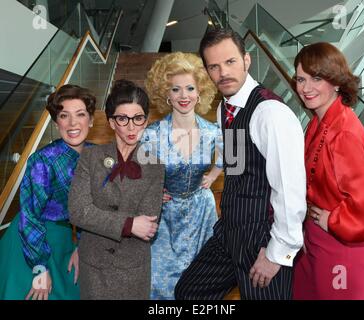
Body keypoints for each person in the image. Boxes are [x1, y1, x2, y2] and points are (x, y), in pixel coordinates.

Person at [175, 28, 307, 300]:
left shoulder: (270, 112)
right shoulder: (226, 108)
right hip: (231, 232)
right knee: (188, 292)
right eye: (214, 66)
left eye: (230, 62)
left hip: (263, 240)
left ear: (246, 60)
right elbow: (237, 168)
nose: (222, 72)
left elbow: (290, 189)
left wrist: (277, 252)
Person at [291, 42, 364, 300]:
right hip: (316, 241)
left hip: (342, 246)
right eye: (300, 79)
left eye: (316, 78)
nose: (305, 88)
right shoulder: (317, 122)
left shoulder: (343, 133)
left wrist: (331, 221)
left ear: (336, 82)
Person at [68, 80, 165, 300]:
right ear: (112, 122)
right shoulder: (90, 157)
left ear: (146, 121)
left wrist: (98, 215)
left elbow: (148, 225)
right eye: (123, 119)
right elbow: (77, 211)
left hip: (132, 268)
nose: (131, 127)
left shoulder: (155, 165)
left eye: (138, 118)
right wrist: (129, 224)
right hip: (93, 266)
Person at [0, 84, 96, 300]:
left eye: (80, 114)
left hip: (66, 238)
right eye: (64, 116)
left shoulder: (97, 155)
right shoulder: (43, 160)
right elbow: (30, 215)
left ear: (90, 120)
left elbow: (98, 207)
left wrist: (83, 245)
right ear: (56, 123)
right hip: (32, 240)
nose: (73, 123)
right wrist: (39, 268)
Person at [143, 52, 223, 300]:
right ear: (166, 94)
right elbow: (140, 176)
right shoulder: (152, 134)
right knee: (160, 283)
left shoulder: (213, 131)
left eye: (190, 88)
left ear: (200, 91)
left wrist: (213, 175)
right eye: (176, 89)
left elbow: (231, 158)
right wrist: (154, 191)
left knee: (201, 283)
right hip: (165, 218)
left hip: (202, 213)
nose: (184, 95)